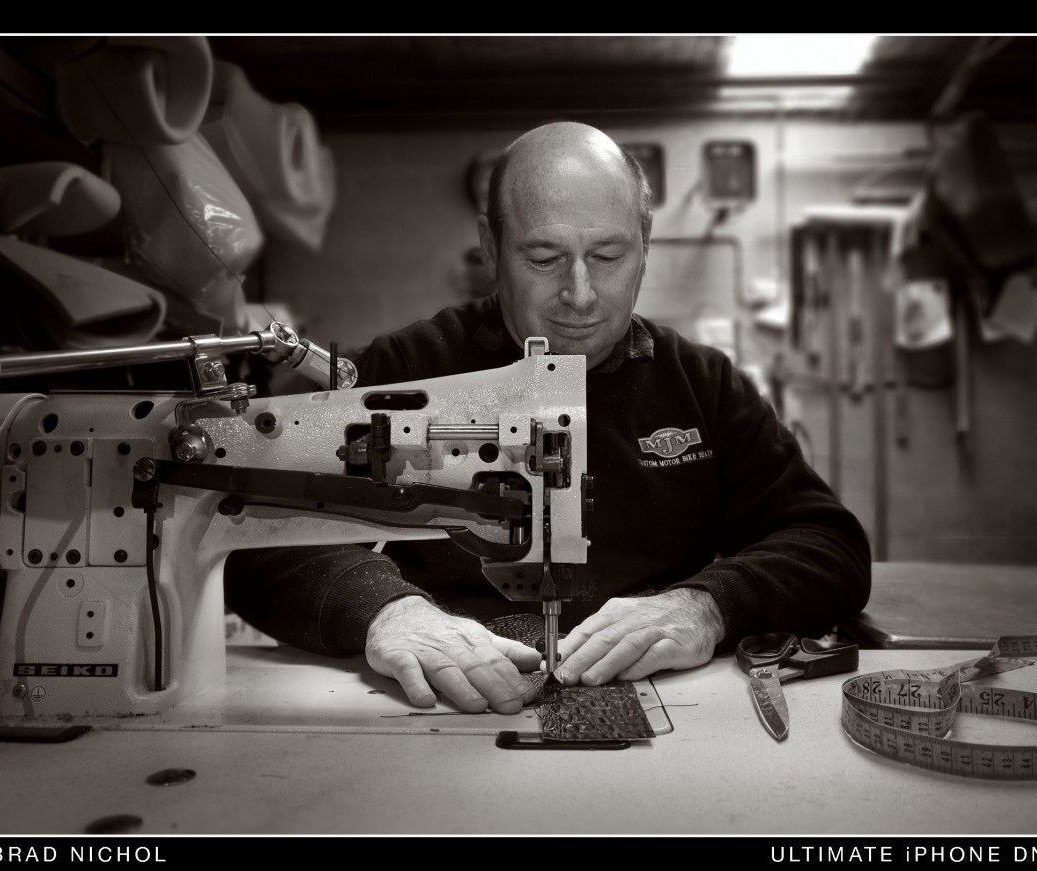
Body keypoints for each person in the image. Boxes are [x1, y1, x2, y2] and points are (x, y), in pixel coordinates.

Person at [224, 121, 871, 716]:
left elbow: (828, 544)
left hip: (672, 703)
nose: (581, 293)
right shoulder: (409, 368)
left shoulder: (701, 387)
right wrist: (384, 610)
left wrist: (709, 604)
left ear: (646, 247)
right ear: (491, 248)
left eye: (610, 256)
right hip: (442, 703)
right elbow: (251, 531)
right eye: (543, 258)